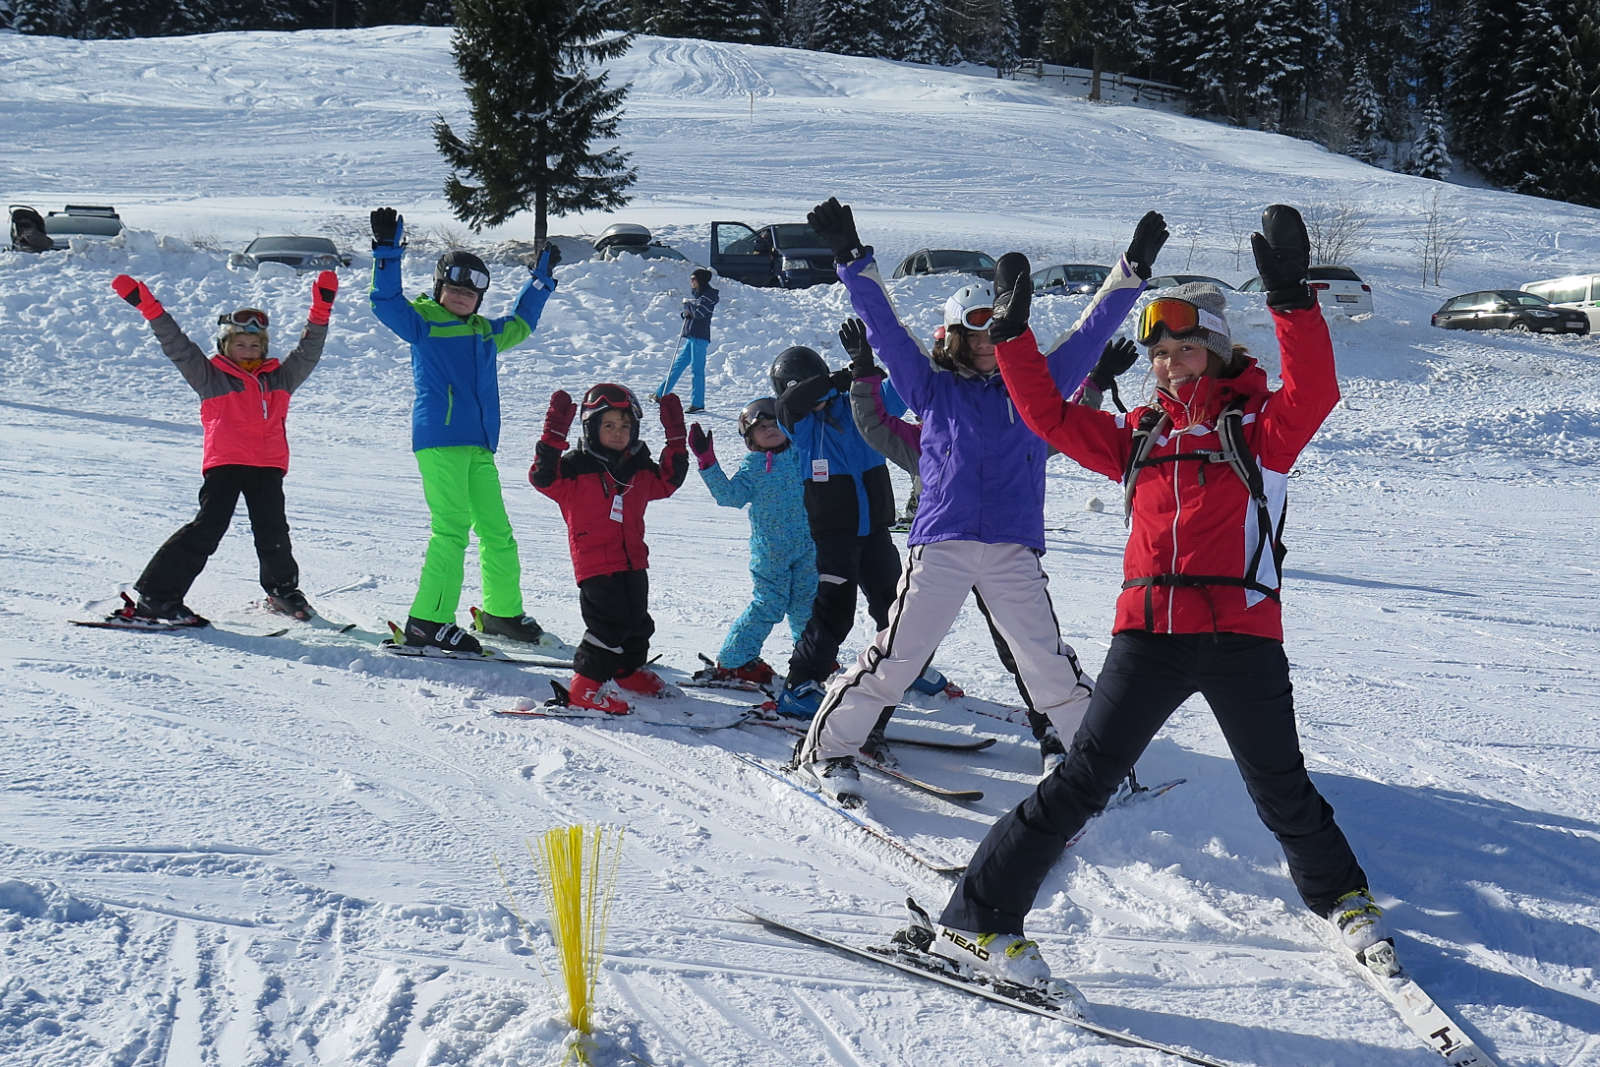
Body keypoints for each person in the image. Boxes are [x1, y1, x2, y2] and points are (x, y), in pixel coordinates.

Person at [932, 205, 1391, 991]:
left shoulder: (1258, 430)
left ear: (1214, 353)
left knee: (1278, 779)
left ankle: (1342, 897)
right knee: (1081, 778)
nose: (1170, 364)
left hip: (1243, 632)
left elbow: (1315, 389)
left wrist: (1291, 300)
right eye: (1160, 353)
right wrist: (1011, 339)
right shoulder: (1136, 437)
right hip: (1148, 635)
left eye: (1184, 349)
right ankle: (977, 921)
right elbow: (1043, 413)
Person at [794, 197, 1166, 803]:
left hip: (1013, 549)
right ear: (957, 337)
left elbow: (1091, 329)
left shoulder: (1039, 389)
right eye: (976, 329)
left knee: (1047, 665)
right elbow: (886, 330)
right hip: (941, 546)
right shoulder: (931, 388)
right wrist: (850, 257)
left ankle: (1092, 766)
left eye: (997, 327)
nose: (989, 341)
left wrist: (1132, 269)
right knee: (895, 662)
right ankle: (830, 750)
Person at [846, 318, 1143, 772]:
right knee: (908, 647)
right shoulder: (924, 435)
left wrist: (1097, 380)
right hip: (945, 544)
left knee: (1022, 648)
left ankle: (1053, 735)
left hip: (1006, 548)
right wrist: (864, 371)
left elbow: (1056, 426)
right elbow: (874, 424)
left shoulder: (1013, 420)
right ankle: (867, 729)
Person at [368, 207, 558, 654]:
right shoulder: (422, 322)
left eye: (469, 294)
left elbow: (522, 323)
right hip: (440, 440)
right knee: (451, 530)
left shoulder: (485, 333)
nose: (461, 297)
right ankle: (427, 622)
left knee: (497, 531)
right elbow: (386, 302)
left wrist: (540, 281)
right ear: (439, 288)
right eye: (453, 288)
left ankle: (500, 612)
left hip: (478, 447)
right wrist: (387, 253)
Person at [106, 271, 337, 625]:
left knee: (273, 531)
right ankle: (156, 597)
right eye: (239, 344)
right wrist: (148, 307)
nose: (248, 351)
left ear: (264, 347)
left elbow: (309, 351)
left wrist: (321, 309)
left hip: (268, 465)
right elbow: (176, 344)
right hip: (225, 464)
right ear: (225, 346)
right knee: (208, 527)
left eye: (255, 345)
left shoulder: (280, 378)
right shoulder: (209, 376)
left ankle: (282, 590)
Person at [530, 385, 688, 713]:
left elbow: (668, 482)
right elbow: (543, 477)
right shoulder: (575, 469)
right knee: (608, 627)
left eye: (625, 425)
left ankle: (626, 672)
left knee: (638, 624)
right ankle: (584, 688)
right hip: (595, 565)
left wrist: (675, 438)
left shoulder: (639, 469)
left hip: (633, 560)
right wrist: (554, 433)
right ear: (591, 427)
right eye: (609, 425)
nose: (618, 433)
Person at [769, 341, 902, 721]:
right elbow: (791, 404)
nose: (813, 396)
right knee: (835, 612)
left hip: (875, 530)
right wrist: (837, 379)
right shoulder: (800, 425)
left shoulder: (858, 407)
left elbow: (901, 391)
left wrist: (869, 368)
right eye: (802, 387)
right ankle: (799, 684)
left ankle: (902, 668)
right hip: (834, 535)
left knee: (895, 606)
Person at [686, 398, 815, 687]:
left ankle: (811, 658)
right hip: (771, 553)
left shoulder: (801, 455)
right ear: (750, 438)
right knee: (770, 604)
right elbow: (729, 496)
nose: (769, 430)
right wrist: (708, 462)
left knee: (807, 604)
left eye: (775, 424)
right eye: (761, 427)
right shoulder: (753, 467)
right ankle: (735, 660)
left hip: (808, 547)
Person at [654, 268, 719, 414]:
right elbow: (691, 313)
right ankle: (660, 393)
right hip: (692, 336)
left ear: (700, 280)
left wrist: (688, 307)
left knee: (697, 370)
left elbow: (700, 313)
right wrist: (687, 311)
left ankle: (698, 403)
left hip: (700, 338)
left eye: (693, 279)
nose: (691, 282)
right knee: (677, 366)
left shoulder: (708, 296)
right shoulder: (698, 296)